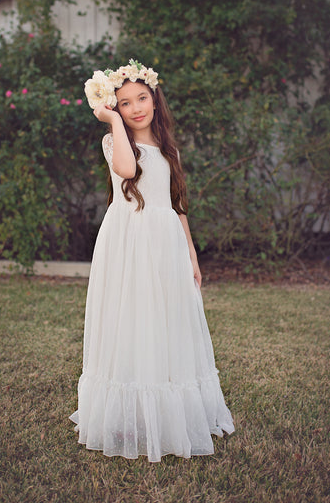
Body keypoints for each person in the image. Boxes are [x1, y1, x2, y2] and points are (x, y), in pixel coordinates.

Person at [69, 60, 234, 462]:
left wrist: (191, 253)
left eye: (142, 98)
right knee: (133, 319)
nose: (136, 107)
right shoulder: (115, 142)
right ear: (116, 108)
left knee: (167, 321)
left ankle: (167, 412)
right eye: (125, 103)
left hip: (166, 242)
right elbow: (126, 170)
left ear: (155, 101)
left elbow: (177, 205)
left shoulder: (168, 148)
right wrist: (110, 120)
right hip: (129, 241)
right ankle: (130, 413)